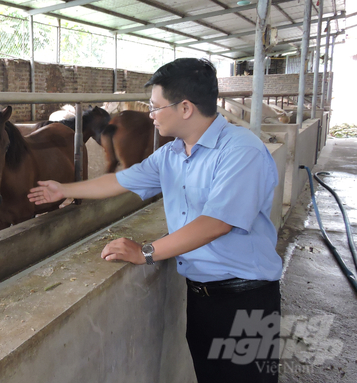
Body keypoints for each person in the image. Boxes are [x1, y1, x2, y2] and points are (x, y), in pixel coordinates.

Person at [28, 58, 282, 383]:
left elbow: (217, 223)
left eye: (156, 107)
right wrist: (63, 188)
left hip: (247, 300)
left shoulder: (241, 150)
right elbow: (122, 180)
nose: (150, 115)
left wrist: (146, 251)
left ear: (186, 108)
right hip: (201, 298)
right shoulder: (172, 154)